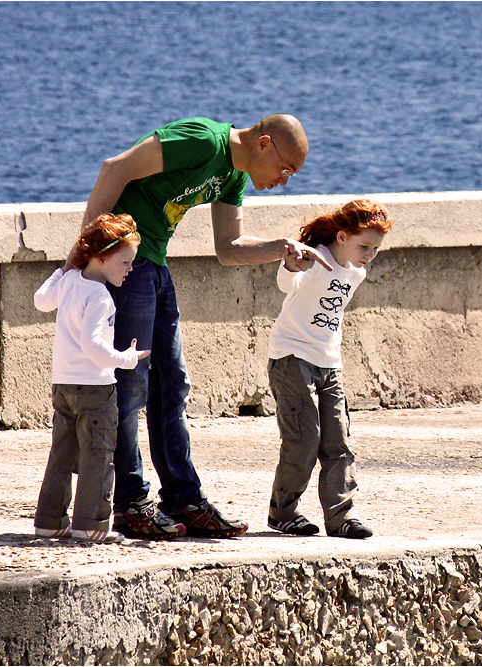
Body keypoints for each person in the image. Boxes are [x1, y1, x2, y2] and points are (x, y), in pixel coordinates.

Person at [70, 114, 331, 540]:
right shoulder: (201, 141)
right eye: (287, 169)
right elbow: (114, 169)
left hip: (153, 264)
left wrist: (282, 248)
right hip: (123, 264)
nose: (284, 180)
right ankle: (130, 503)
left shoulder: (233, 174)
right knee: (130, 383)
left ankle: (183, 500)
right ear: (264, 143)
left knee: (172, 385)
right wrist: (84, 255)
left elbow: (228, 249)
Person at [266, 199, 393, 539]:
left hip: (329, 363)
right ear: (341, 236)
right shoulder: (314, 258)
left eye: (376, 249)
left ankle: (340, 518)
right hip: (291, 358)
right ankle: (284, 513)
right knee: (304, 439)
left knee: (338, 442)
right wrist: (293, 265)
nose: (369, 254)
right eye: (364, 246)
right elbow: (285, 285)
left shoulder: (356, 272)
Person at [34, 213, 150, 544]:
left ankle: (49, 521)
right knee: (97, 455)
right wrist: (127, 359)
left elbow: (41, 301)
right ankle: (91, 524)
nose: (130, 269)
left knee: (61, 453)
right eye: (125, 261)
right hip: (95, 388)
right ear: (101, 257)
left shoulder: (70, 281)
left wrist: (63, 269)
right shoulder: (99, 296)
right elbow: (94, 347)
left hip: (63, 385)